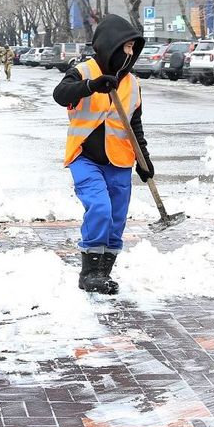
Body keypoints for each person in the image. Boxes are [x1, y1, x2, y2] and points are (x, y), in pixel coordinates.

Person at [53, 15, 152, 295]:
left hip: (120, 160)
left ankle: (103, 272)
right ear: (111, 44)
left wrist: (144, 159)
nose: (130, 53)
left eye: (133, 48)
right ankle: (89, 272)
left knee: (116, 218)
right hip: (85, 157)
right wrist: (92, 86)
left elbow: (134, 124)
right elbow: (60, 94)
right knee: (99, 207)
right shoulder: (83, 71)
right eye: (127, 47)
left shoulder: (132, 83)